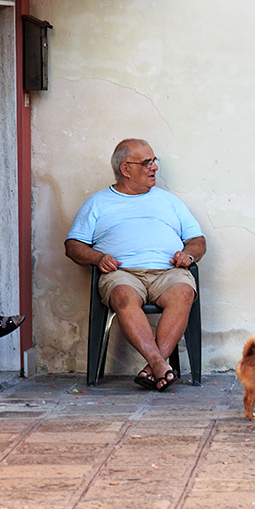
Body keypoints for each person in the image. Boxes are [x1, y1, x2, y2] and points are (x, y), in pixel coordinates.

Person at [65, 139, 206, 391]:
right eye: (146, 163)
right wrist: (98, 258)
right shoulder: (98, 203)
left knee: (185, 292)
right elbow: (73, 246)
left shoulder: (169, 201)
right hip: (123, 273)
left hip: (168, 271)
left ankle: (154, 367)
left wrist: (188, 255)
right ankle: (160, 365)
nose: (154, 167)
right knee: (122, 296)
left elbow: (197, 240)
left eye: (154, 161)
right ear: (126, 168)